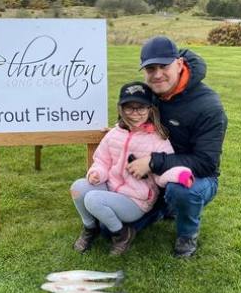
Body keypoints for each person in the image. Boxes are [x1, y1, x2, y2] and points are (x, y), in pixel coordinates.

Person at [126, 36, 228, 257]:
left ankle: (186, 235)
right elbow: (134, 119)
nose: (157, 74)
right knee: (109, 231)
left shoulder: (209, 106)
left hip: (197, 176)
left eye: (164, 66)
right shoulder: (151, 94)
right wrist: (118, 130)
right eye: (150, 68)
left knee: (182, 190)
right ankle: (163, 208)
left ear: (179, 64)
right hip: (156, 171)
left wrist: (153, 162)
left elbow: (206, 162)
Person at [70, 81, 194, 256]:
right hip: (111, 189)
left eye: (141, 108)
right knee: (78, 187)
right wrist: (97, 172)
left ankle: (122, 234)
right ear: (121, 109)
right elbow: (102, 160)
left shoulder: (158, 139)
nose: (135, 113)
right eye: (129, 108)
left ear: (150, 109)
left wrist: (181, 175)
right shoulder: (114, 134)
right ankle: (90, 228)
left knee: (93, 199)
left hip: (135, 201)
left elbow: (165, 169)